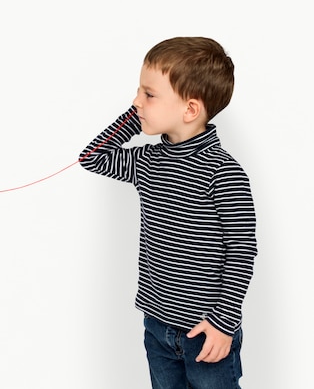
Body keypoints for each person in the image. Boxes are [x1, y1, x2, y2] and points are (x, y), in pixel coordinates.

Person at [78, 37, 257, 388]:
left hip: (207, 332)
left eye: (148, 95)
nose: (136, 101)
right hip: (157, 326)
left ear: (190, 110)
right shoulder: (148, 161)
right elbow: (92, 157)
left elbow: (241, 251)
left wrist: (224, 322)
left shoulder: (224, 172)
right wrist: (137, 116)